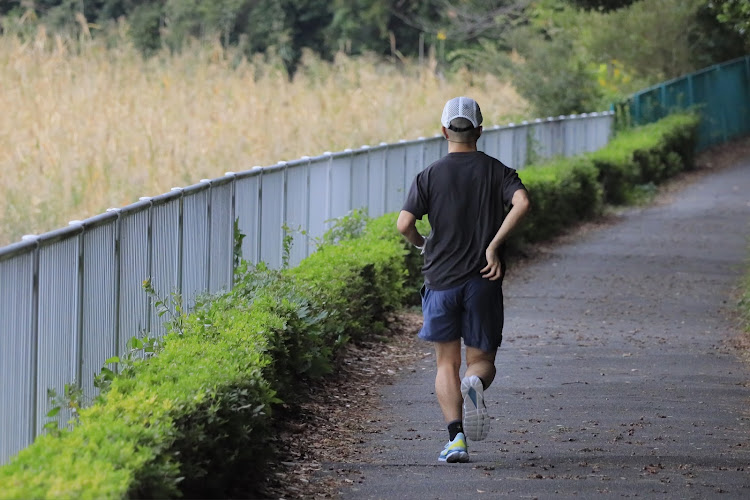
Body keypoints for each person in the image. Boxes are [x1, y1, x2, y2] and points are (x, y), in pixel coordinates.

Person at [397, 96, 531, 463]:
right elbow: (522, 202)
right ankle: (475, 384)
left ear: (444, 131)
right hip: (483, 278)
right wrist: (493, 246)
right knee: (481, 360)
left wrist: (423, 244)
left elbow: (404, 224)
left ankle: (456, 439)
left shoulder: (429, 175)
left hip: (440, 280)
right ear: (480, 131)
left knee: (445, 363)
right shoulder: (497, 171)